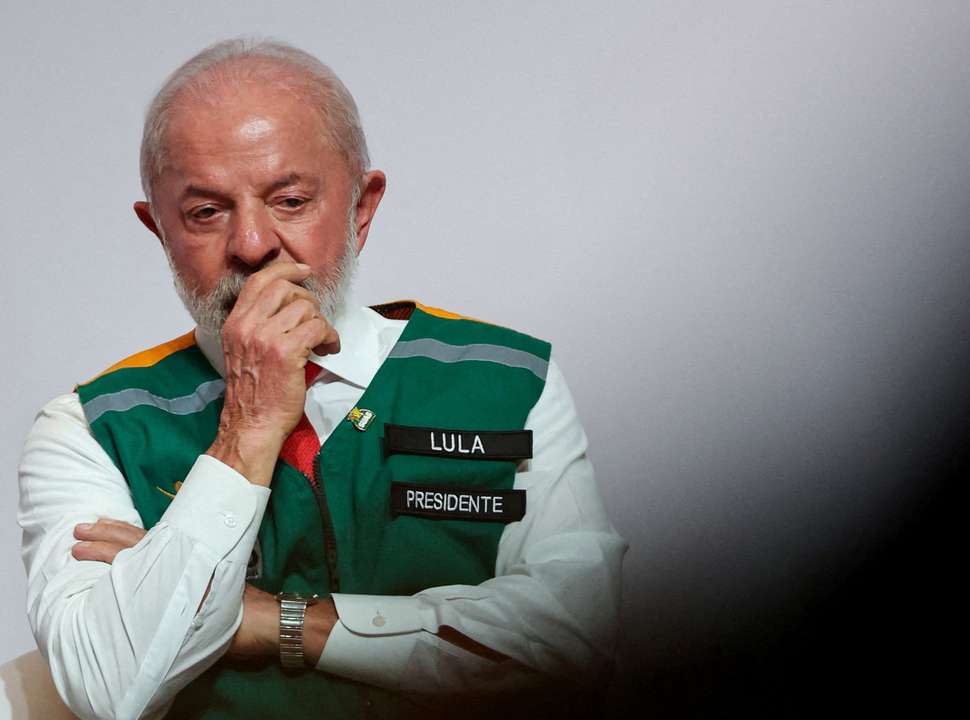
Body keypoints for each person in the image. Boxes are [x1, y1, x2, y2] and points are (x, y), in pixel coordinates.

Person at [17, 37, 626, 719]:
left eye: (290, 199)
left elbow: (575, 650)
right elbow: (106, 690)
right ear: (158, 228)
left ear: (362, 208)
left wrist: (274, 622)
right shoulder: (93, 429)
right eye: (205, 213)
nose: (251, 245)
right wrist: (247, 429)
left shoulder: (507, 382)